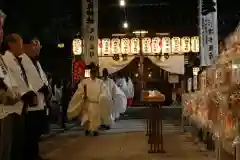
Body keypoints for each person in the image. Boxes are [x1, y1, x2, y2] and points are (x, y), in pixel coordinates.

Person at [3, 33, 38, 160]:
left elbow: (23, 80)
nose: (22, 47)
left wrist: (29, 92)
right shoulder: (6, 59)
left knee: (18, 143)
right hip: (10, 108)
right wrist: (27, 94)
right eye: (20, 44)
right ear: (11, 45)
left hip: (20, 106)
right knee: (10, 145)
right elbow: (14, 81)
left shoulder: (17, 59)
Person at [0, 10, 24, 160]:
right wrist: (5, 96)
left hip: (8, 109)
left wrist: (13, 94)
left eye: (2, 27)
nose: (1, 32)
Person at [21, 36, 50, 160]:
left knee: (37, 131)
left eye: (38, 47)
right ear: (27, 46)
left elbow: (43, 78)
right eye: (35, 46)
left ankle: (35, 154)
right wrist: (43, 87)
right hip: (31, 102)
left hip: (40, 101)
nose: (37, 49)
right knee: (30, 133)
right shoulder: (22, 60)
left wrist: (46, 87)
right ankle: (30, 156)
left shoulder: (36, 62)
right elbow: (33, 80)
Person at [68, 67, 113, 136]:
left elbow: (103, 91)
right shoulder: (85, 82)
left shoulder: (100, 82)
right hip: (87, 102)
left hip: (96, 102)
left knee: (95, 117)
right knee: (87, 117)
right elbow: (80, 91)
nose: (94, 74)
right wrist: (83, 96)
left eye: (95, 73)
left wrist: (101, 97)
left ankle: (95, 130)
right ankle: (87, 129)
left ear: (96, 74)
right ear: (90, 73)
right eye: (92, 73)